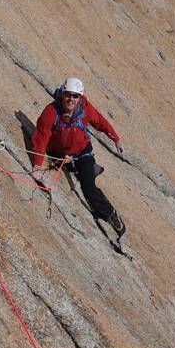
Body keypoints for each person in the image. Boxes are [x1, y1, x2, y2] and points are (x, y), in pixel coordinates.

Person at [30, 77, 125, 236]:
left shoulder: (85, 109)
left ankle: (110, 215)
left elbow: (100, 122)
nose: (71, 99)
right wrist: (37, 165)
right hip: (59, 153)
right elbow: (41, 138)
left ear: (80, 97)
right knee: (74, 169)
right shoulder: (51, 112)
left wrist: (116, 138)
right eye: (68, 94)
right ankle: (79, 167)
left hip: (82, 152)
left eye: (75, 96)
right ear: (62, 94)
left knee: (88, 187)